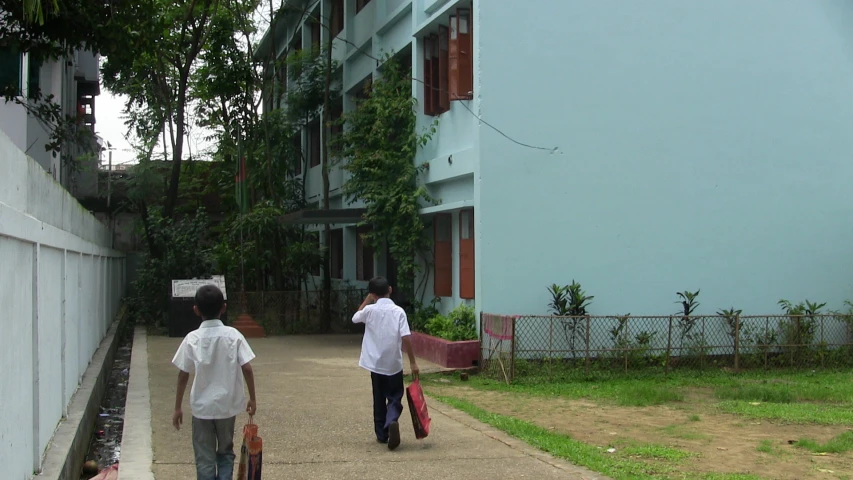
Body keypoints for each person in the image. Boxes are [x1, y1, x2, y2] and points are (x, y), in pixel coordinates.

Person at [171, 284, 257, 480]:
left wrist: (177, 407)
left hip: (202, 408)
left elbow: (183, 374)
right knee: (226, 451)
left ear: (196, 310)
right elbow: (247, 368)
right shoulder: (234, 335)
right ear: (224, 308)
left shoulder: (192, 338)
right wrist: (252, 398)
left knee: (204, 456)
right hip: (227, 406)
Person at [352, 276, 420, 450]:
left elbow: (355, 318)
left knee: (378, 397)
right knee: (395, 396)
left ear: (373, 294)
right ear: (390, 290)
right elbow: (406, 338)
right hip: (393, 364)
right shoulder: (398, 312)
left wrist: (368, 299)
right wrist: (413, 362)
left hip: (375, 364)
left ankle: (382, 435)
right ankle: (392, 420)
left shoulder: (369, 311)